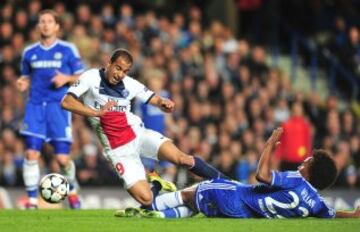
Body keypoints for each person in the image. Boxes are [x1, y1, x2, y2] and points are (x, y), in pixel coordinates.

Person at [61, 48, 229, 208]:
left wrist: (163, 102)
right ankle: (156, 183)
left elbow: (151, 97)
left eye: (125, 71)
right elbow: (66, 102)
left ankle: (229, 184)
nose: (120, 74)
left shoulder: (129, 83)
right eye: (118, 68)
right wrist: (95, 112)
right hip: (119, 151)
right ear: (109, 63)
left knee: (183, 159)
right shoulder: (90, 77)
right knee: (146, 199)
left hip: (139, 135)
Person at [116, 128, 360, 219]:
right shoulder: (316, 202)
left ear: (311, 172)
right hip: (244, 212)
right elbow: (333, 214)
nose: (302, 163)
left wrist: (269, 145)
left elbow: (262, 176)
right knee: (201, 198)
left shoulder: (296, 180)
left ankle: (153, 197)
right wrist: (354, 215)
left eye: (307, 161)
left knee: (192, 194)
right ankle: (160, 216)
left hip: (239, 197)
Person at [16, 10, 85, 209]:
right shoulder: (29, 52)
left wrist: (66, 78)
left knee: (62, 159)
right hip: (35, 107)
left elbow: (82, 76)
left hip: (59, 108)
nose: (45, 25)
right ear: (38, 26)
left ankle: (71, 190)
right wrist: (23, 83)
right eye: (42, 22)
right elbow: (25, 77)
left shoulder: (67, 49)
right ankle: (31, 201)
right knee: (31, 154)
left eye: (49, 21)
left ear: (57, 26)